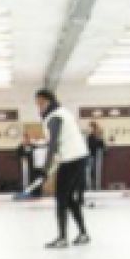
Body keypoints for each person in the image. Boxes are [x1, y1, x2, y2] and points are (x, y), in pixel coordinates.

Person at [35, 88, 89, 247]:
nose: (39, 106)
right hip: (79, 157)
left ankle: (62, 238)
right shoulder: (63, 112)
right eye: (37, 103)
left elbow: (52, 144)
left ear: (48, 101)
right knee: (69, 198)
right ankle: (83, 234)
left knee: (61, 198)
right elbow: (59, 143)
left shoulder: (54, 117)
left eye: (40, 103)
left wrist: (45, 169)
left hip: (71, 159)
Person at [85, 122, 106, 191]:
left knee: (97, 172)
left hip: (97, 156)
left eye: (92, 128)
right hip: (89, 156)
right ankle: (89, 187)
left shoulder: (98, 137)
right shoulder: (89, 137)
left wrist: (99, 139)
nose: (91, 130)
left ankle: (97, 187)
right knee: (88, 172)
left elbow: (103, 146)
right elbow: (90, 145)